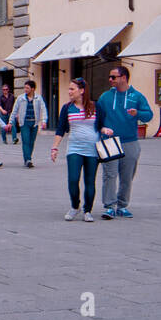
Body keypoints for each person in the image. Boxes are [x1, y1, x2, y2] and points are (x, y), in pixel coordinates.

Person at [96, 65, 153, 218]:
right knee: (110, 174)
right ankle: (109, 206)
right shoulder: (105, 97)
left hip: (130, 141)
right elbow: (97, 118)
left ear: (123, 78)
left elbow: (148, 115)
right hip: (109, 141)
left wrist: (138, 113)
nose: (110, 80)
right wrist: (100, 131)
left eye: (113, 77)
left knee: (127, 175)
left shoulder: (137, 96)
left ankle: (122, 205)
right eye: (109, 77)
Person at [51, 77, 101, 221]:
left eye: (72, 89)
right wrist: (54, 148)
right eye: (69, 89)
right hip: (74, 148)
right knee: (73, 179)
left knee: (90, 181)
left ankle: (88, 210)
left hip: (92, 149)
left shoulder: (95, 107)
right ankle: (75, 206)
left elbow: (102, 124)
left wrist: (106, 129)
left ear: (82, 91)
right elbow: (60, 129)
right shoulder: (67, 108)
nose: (69, 92)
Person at [10, 79, 49, 168]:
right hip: (24, 123)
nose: (25, 89)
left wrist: (44, 121)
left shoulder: (38, 98)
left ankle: (28, 159)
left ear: (33, 89)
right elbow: (15, 110)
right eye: (25, 88)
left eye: (27, 88)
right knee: (26, 141)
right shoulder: (20, 98)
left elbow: (43, 109)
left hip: (34, 123)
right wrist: (10, 122)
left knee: (31, 142)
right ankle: (28, 160)